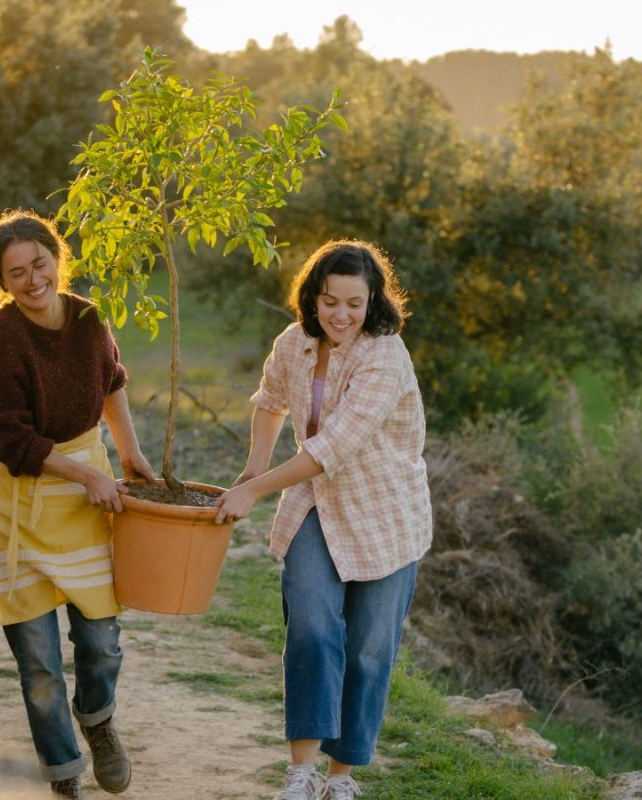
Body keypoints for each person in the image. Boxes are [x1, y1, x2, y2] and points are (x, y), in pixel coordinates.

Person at [213, 240, 432, 800]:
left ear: (373, 301)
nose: (340, 315)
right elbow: (270, 400)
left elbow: (334, 446)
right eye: (329, 301)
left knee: (368, 647)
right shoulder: (294, 344)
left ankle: (340, 779)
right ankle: (301, 773)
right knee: (311, 627)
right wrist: (253, 467)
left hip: (385, 514)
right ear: (312, 298)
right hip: (314, 503)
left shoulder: (385, 356)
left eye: (353, 304)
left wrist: (257, 492)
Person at [0, 210, 155, 799]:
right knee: (41, 665)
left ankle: (98, 724)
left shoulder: (88, 318)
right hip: (15, 502)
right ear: (0, 280)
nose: (31, 279)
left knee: (100, 639)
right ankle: (63, 773)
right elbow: (12, 439)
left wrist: (129, 458)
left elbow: (112, 382)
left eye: (38, 263)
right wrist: (80, 473)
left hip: (81, 497)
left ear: (57, 258)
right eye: (15, 272)